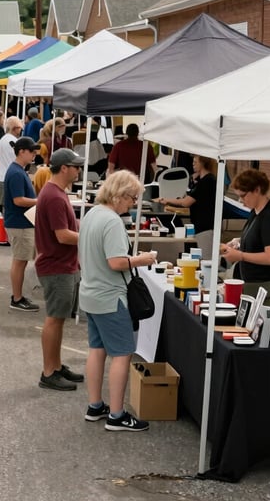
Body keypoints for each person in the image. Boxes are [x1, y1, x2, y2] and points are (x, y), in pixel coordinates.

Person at [78, 169, 156, 432]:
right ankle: (117, 414)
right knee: (122, 354)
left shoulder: (91, 214)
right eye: (132, 198)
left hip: (90, 293)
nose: (133, 204)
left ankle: (95, 405)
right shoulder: (112, 221)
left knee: (97, 350)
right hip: (111, 298)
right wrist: (141, 260)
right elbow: (116, 263)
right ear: (120, 195)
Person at [35, 148, 85, 391]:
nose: (78, 170)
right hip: (57, 266)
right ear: (64, 168)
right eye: (76, 166)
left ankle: (55, 366)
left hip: (62, 264)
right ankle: (49, 371)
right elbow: (63, 236)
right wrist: (89, 236)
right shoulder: (54, 196)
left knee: (59, 318)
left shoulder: (56, 192)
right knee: (55, 319)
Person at [221, 169, 270, 301]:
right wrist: (239, 241)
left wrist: (241, 256)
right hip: (251, 283)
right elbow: (259, 238)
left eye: (243, 195)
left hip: (264, 288)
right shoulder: (255, 212)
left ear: (257, 190)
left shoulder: (268, 216)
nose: (241, 200)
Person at [3, 137, 41, 312]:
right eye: (31, 151)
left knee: (21, 260)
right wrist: (38, 201)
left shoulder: (18, 170)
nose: (34, 154)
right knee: (20, 261)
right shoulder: (17, 173)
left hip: (21, 222)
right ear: (21, 152)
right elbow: (18, 200)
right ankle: (16, 298)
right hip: (20, 223)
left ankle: (17, 296)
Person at [158, 155, 218, 259]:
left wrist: (167, 200)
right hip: (201, 225)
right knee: (203, 257)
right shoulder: (202, 181)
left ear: (203, 163)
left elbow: (186, 202)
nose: (193, 164)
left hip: (205, 225)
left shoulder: (207, 181)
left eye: (195, 162)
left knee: (207, 259)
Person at [0, 116, 23, 211]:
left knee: (1, 206)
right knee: (8, 206)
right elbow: (18, 160)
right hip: (10, 177)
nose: (21, 130)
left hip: (2, 175)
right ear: (15, 128)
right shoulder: (14, 142)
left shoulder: (2, 140)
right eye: (20, 128)